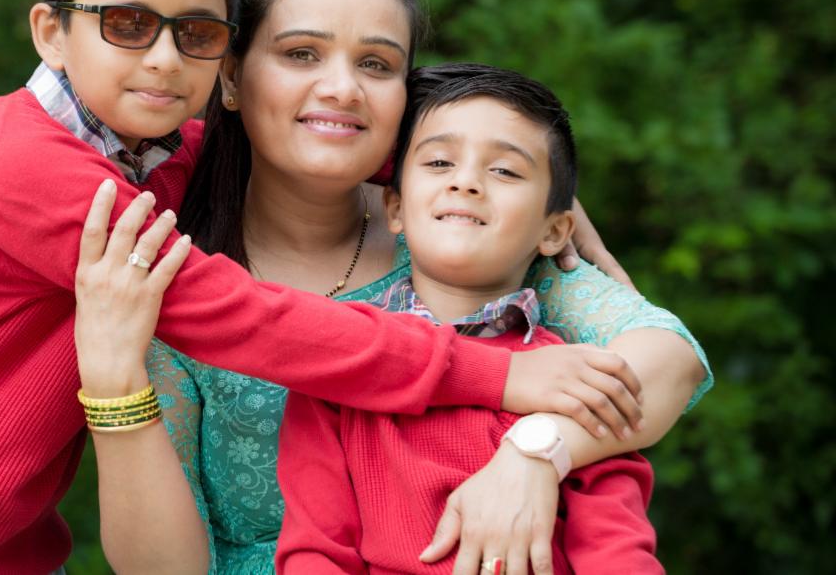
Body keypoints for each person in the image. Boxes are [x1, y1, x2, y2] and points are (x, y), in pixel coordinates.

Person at [0, 0, 645, 575]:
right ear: (50, 31)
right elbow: (246, 315)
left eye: (191, 31)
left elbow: (325, 130)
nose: (160, 58)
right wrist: (491, 373)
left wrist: (517, 179)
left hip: (3, 548)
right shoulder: (33, 168)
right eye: (125, 25)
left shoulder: (161, 153)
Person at [72, 0, 711, 574]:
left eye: (377, 65)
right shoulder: (181, 278)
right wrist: (112, 382)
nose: (343, 87)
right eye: (301, 53)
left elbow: (668, 360)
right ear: (232, 78)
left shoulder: (454, 242)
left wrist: (536, 451)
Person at [274, 63, 664, 573]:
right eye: (439, 162)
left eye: (504, 170)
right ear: (394, 207)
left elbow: (618, 555)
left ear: (555, 231)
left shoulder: (573, 381)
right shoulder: (342, 361)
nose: (466, 182)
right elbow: (316, 550)